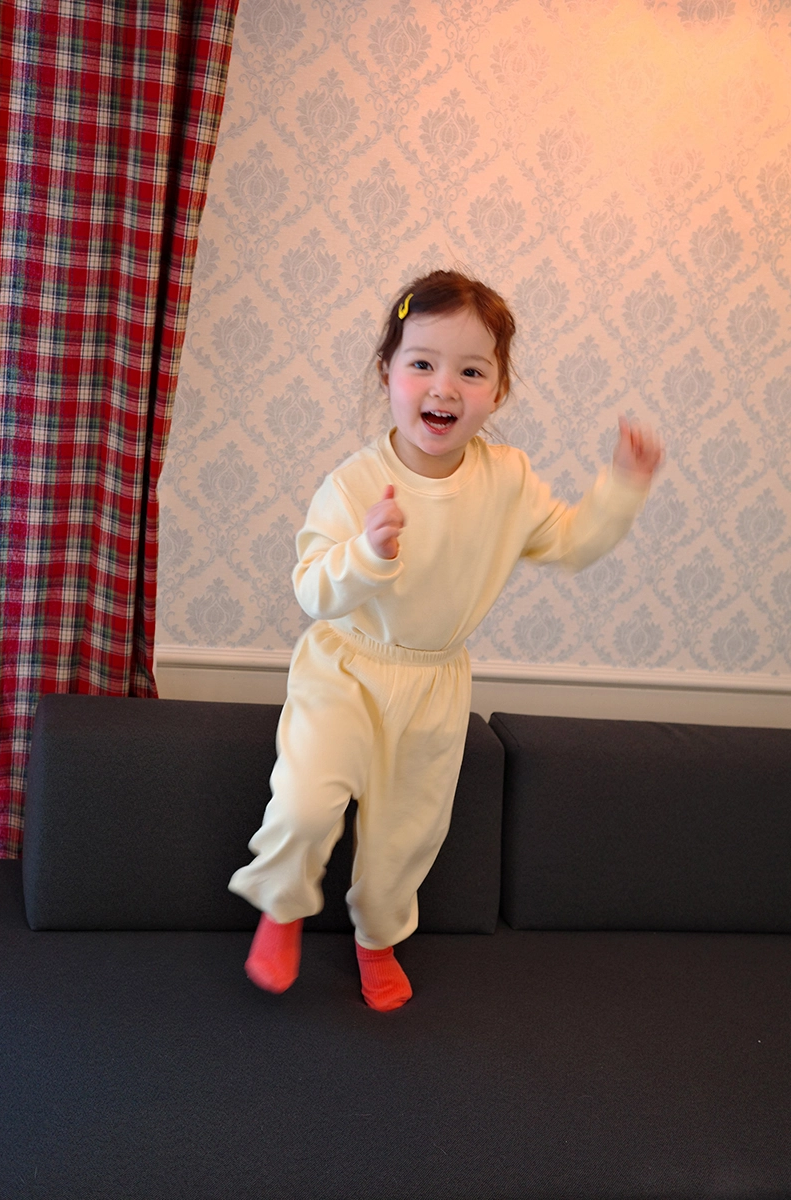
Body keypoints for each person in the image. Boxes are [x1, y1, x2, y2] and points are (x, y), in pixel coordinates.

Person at [228, 270, 662, 1012]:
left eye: (471, 371)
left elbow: (571, 543)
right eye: (422, 363)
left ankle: (377, 941)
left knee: (405, 836)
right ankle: (281, 905)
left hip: (433, 683)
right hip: (345, 668)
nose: (444, 387)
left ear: (498, 390)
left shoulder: (507, 480)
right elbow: (312, 591)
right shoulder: (353, 484)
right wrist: (366, 553)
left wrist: (622, 485)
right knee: (304, 804)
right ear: (387, 374)